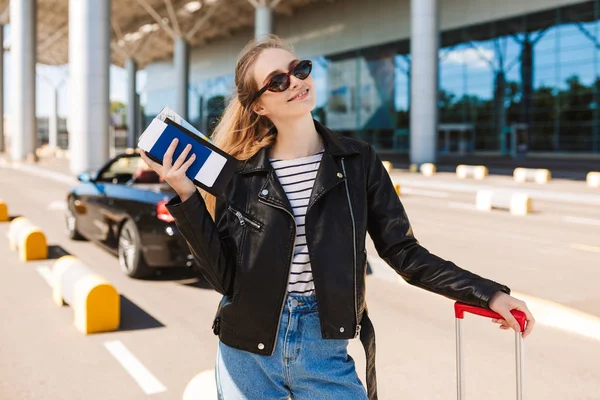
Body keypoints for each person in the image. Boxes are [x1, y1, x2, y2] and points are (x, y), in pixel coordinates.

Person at [139, 34, 535, 400]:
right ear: (258, 104)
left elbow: (404, 252)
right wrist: (187, 196)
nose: (295, 82)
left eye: (299, 70)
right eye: (277, 81)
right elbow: (224, 278)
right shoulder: (240, 176)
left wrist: (489, 293)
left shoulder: (358, 160)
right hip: (247, 353)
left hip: (323, 349)